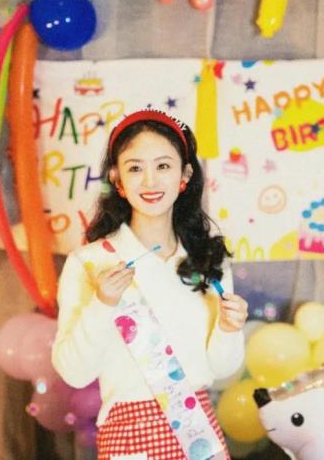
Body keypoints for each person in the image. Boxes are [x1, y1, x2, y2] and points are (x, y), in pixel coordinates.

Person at [52, 109, 248, 460]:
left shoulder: (208, 260)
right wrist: (102, 304)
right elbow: (74, 373)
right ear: (117, 179)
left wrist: (229, 328)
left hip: (199, 437)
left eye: (163, 166)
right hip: (128, 438)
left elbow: (221, 368)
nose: (150, 181)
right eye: (134, 168)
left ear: (185, 175)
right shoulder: (90, 262)